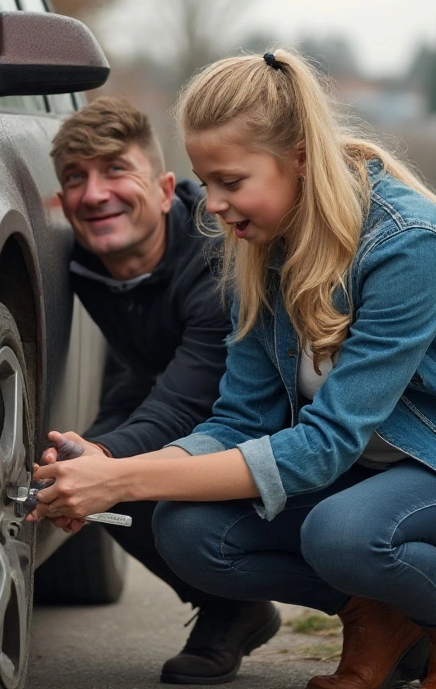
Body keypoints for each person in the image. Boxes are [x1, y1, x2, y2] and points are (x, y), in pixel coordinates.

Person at [28, 50, 436, 689]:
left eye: (231, 182)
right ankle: (377, 613)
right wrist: (114, 471)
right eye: (205, 181)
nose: (210, 204)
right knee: (186, 529)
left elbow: (325, 446)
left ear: (298, 156)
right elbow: (238, 419)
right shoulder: (255, 253)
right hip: (370, 488)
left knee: (342, 533)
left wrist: (122, 479)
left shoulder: (408, 242)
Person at [44, 96, 281, 685]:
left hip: (258, 404)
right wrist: (87, 456)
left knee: (113, 471)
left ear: (166, 189)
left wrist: (103, 462)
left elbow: (185, 403)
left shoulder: (218, 259)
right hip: (156, 377)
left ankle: (377, 612)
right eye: (76, 178)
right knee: (86, 467)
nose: (94, 193)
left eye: (115, 171)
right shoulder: (74, 256)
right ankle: (233, 609)